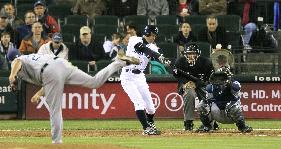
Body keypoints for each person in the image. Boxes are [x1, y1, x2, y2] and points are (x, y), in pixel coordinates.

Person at [7, 48, 139, 144]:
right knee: (94, 82)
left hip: (50, 71)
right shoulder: (30, 58)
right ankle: (118, 63)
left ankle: (56, 143)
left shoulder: (17, 60)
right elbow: (49, 79)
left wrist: (12, 75)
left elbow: (17, 61)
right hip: (61, 64)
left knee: (55, 110)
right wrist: (38, 94)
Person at [120, 25, 167, 135]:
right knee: (139, 102)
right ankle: (146, 128)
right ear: (147, 34)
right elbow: (142, 48)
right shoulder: (134, 39)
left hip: (140, 76)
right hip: (128, 76)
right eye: (152, 35)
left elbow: (157, 54)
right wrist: (156, 55)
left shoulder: (153, 46)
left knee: (151, 108)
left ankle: (150, 123)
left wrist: (163, 59)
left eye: (155, 36)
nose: (154, 37)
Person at [172, 43, 215, 131]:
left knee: (208, 96)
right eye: (189, 54)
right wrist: (184, 83)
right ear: (185, 54)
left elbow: (210, 79)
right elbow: (177, 76)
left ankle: (210, 122)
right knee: (189, 94)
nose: (191, 56)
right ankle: (188, 122)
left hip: (202, 85)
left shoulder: (206, 62)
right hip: (187, 85)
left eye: (193, 53)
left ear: (198, 54)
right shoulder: (179, 62)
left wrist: (197, 84)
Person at [196, 67, 253, 133]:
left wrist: (228, 84)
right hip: (217, 113)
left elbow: (236, 88)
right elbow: (208, 101)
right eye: (217, 77)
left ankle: (242, 127)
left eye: (221, 78)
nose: (218, 80)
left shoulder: (235, 84)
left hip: (231, 114)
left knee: (234, 108)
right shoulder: (210, 87)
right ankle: (207, 126)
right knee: (201, 105)